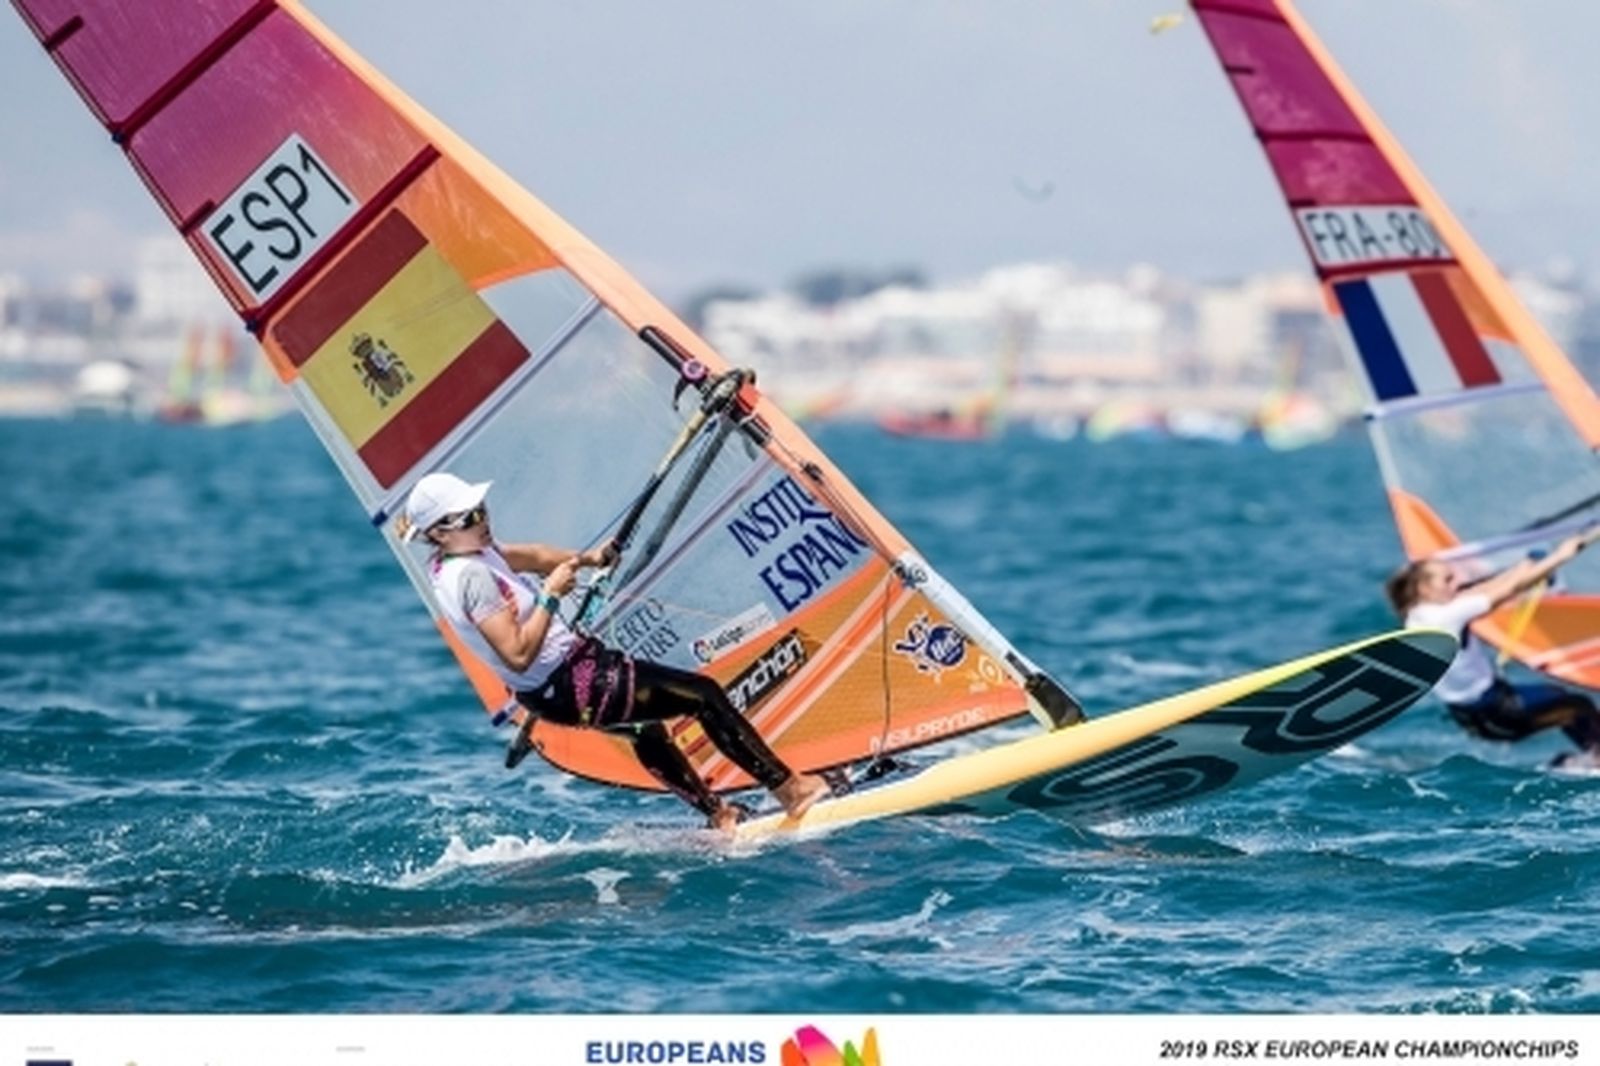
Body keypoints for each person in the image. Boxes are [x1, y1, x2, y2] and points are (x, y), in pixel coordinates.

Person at [401, 471, 830, 829]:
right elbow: (516, 654)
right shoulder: (470, 577)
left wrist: (591, 558)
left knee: (647, 729)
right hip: (575, 683)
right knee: (704, 696)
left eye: (482, 509)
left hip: (556, 690)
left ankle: (719, 817)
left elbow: (531, 556)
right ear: (437, 532)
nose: (483, 519)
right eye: (469, 517)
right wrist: (550, 597)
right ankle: (791, 790)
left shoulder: (466, 552)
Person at [1386, 528, 1600, 767]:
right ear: (1424, 589)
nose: (1457, 582)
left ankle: (1571, 765)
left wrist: (1522, 567)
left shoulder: (1419, 615)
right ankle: (1593, 761)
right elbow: (1507, 591)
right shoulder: (1448, 615)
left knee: (1561, 701)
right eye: (1448, 579)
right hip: (1498, 711)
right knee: (1579, 707)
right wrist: (1561, 556)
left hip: (1471, 718)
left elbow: (1481, 590)